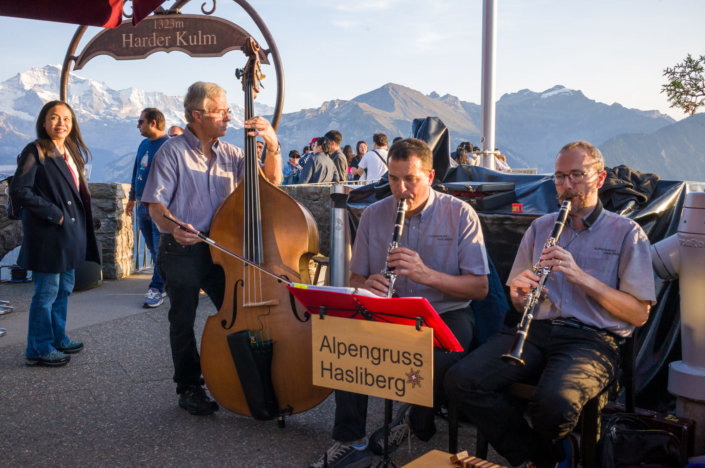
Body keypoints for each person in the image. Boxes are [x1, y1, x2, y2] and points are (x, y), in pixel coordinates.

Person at [444, 141, 656, 468]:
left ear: (599, 179)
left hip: (592, 339)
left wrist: (580, 277)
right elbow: (518, 297)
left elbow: (639, 313)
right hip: (536, 330)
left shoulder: (627, 233)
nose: (566, 186)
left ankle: (543, 455)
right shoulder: (541, 227)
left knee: (553, 403)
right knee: (461, 380)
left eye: (576, 176)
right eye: (559, 177)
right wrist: (520, 294)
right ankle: (544, 457)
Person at [308, 138, 490, 468]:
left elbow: (479, 287)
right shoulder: (374, 215)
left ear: (431, 176)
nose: (400, 189)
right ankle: (351, 440)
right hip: (390, 310)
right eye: (393, 179)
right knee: (343, 341)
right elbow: (355, 280)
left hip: (445, 312)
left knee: (434, 361)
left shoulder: (459, 214)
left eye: (411, 179)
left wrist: (426, 275)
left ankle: (413, 420)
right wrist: (368, 285)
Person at [141, 81, 282, 415]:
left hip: (222, 249)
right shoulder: (171, 152)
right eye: (221, 111)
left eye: (228, 111)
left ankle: (247, 376)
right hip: (182, 250)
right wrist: (175, 228)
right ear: (197, 115)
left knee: (238, 312)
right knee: (183, 320)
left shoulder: (233, 154)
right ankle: (189, 387)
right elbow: (155, 207)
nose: (228, 118)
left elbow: (271, 183)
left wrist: (272, 144)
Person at [10, 100, 100, 367]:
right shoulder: (36, 150)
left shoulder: (70, 150)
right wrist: (56, 213)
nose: (61, 123)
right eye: (55, 117)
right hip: (49, 233)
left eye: (67, 119)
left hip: (69, 234)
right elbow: (19, 190)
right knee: (46, 292)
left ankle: (57, 338)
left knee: (63, 290)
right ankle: (37, 349)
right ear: (44, 121)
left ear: (72, 125)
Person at [126, 108, 169, 308]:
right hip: (142, 205)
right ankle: (167, 281)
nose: (138, 125)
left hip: (159, 207)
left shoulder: (170, 145)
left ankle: (156, 289)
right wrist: (132, 198)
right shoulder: (143, 144)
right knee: (153, 249)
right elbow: (137, 170)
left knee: (161, 250)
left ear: (152, 123)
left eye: (140, 121)